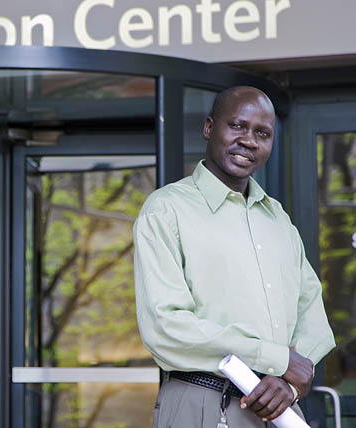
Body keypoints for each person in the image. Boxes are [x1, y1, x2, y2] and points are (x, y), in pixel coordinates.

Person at [133, 86, 335, 427]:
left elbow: (311, 313)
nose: (249, 141)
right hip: (203, 403)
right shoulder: (166, 210)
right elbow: (165, 326)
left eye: (262, 133)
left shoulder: (278, 221)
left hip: (280, 407)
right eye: (237, 126)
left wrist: (287, 380)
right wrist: (277, 359)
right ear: (209, 128)